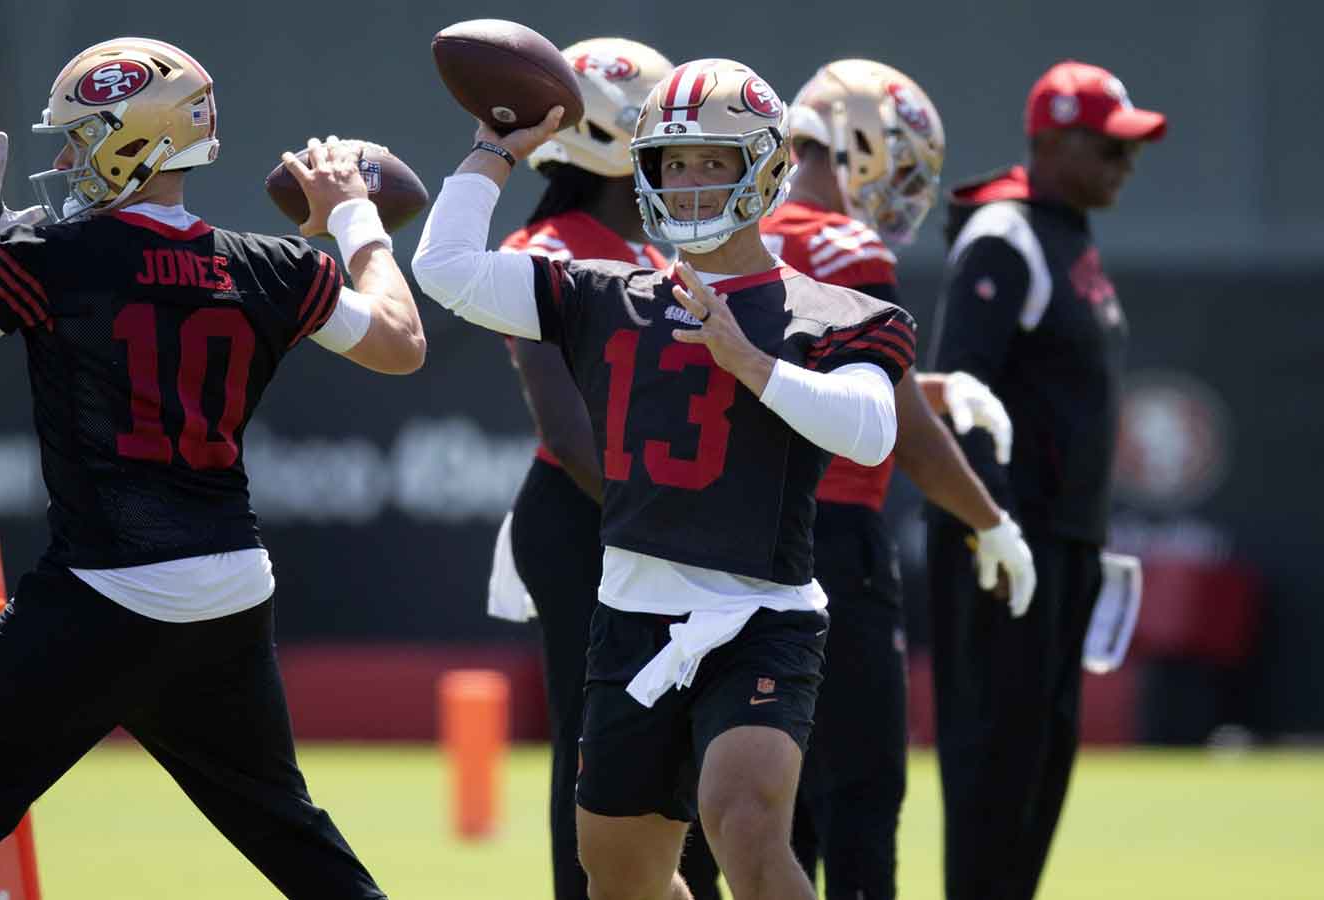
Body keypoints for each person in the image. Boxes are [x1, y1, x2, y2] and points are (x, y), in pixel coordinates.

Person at [0, 37, 424, 900]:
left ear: (135, 141)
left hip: (108, 588)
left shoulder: (51, 258)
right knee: (291, 838)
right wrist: (355, 217)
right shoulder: (272, 265)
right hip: (231, 586)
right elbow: (401, 343)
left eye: (79, 137)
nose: (60, 159)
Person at [418, 58, 914, 900]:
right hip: (631, 617)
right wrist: (492, 153)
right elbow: (446, 269)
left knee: (747, 824)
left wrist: (750, 362)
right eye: (671, 163)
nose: (687, 183)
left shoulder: (830, 310)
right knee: (623, 878)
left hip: (762, 617)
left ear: (766, 168)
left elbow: (870, 433)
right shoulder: (605, 291)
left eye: (713, 161)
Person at [669, 60, 1037, 900]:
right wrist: (990, 520)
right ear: (859, 145)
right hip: (828, 543)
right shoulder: (844, 244)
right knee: (862, 795)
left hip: (712, 550)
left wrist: (928, 386)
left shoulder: (715, 238)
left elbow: (785, 365)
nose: (896, 191)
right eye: (895, 166)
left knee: (750, 807)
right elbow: (889, 426)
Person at [926, 59, 1165, 900]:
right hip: (1005, 547)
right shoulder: (1007, 235)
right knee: (997, 761)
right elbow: (958, 396)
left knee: (1043, 760)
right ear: (1055, 141)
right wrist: (987, 525)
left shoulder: (1069, 234)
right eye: (1108, 149)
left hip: (1065, 543)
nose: (1123, 167)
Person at [488, 36, 676, 900]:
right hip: (589, 514)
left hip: (655, 517)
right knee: (596, 745)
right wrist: (677, 524)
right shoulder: (551, 246)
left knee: (675, 741)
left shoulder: (652, 251)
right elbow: (570, 431)